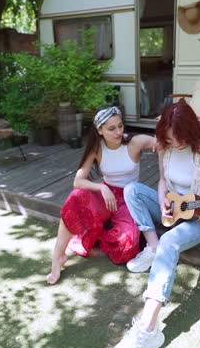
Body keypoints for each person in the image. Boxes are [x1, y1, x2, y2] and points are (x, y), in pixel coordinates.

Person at [110, 99, 200, 348]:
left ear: (192, 131)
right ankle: (151, 245)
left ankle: (147, 329)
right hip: (174, 207)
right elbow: (162, 180)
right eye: (171, 140)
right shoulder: (165, 147)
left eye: (181, 139)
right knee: (132, 190)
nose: (176, 144)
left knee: (170, 241)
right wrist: (163, 200)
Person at [47, 106, 155, 285]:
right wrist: (101, 188)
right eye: (112, 129)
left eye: (120, 126)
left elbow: (164, 143)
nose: (118, 132)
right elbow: (78, 181)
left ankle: (99, 229)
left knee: (125, 249)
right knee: (75, 198)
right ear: (100, 130)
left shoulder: (136, 142)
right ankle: (57, 256)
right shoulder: (97, 148)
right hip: (106, 195)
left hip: (130, 198)